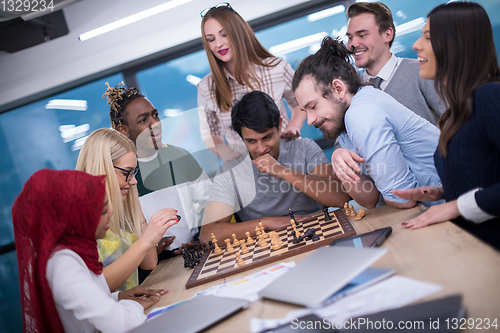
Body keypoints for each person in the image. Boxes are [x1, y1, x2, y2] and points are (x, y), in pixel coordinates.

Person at [393, 1, 500, 250]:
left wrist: (455, 206)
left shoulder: (489, 96)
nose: (416, 45)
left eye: (428, 38)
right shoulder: (458, 109)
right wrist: (443, 192)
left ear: (458, 44)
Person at [292, 36, 442, 210]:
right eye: (306, 112)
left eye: (313, 106)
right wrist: (338, 158)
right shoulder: (346, 119)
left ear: (338, 89)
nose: (310, 121)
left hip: (460, 210)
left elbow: (403, 199)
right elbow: (369, 199)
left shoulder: (362, 113)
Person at [12, 169, 166, 333]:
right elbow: (121, 324)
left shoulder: (68, 252)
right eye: (103, 211)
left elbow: (82, 301)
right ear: (77, 216)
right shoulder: (62, 264)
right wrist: (133, 305)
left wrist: (118, 297)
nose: (111, 213)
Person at [199, 91, 349, 245]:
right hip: (267, 249)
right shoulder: (229, 173)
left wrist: (283, 171)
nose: (261, 148)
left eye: (267, 137)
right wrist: (267, 223)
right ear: (241, 138)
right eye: (251, 141)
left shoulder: (304, 148)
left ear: (279, 124)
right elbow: (207, 236)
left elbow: (341, 197)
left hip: (318, 237)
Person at [103, 82, 212, 281]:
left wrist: (202, 237)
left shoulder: (179, 156)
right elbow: (116, 235)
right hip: (151, 272)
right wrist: (150, 247)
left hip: (195, 256)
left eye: (155, 114)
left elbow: (210, 203)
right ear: (124, 130)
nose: (155, 123)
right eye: (143, 120)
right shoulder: (120, 176)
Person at [197, 3, 307, 162]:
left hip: (288, 158)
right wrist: (226, 153)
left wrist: (292, 128)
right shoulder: (206, 87)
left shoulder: (276, 67)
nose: (218, 44)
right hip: (249, 171)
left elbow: (300, 103)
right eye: (211, 39)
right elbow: (209, 132)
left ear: (238, 33)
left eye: (224, 34)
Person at [76, 128, 179, 291]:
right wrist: (146, 240)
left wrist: (134, 203)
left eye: (135, 172)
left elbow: (150, 263)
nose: (134, 181)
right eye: (127, 173)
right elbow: (96, 287)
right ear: (104, 169)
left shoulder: (120, 205)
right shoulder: (78, 219)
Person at [346, 1, 445, 125]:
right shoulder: (353, 89)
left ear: (388, 35)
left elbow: (455, 120)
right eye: (350, 37)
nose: (352, 45)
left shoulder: (420, 72)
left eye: (362, 35)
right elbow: (344, 139)